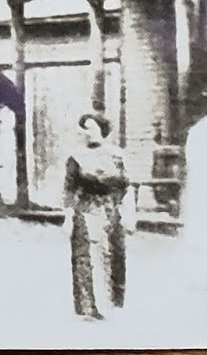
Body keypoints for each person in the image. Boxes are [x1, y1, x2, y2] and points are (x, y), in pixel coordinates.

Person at [63, 111, 127, 321]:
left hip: (111, 209)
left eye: (91, 128)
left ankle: (113, 304)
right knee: (85, 256)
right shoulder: (76, 157)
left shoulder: (116, 154)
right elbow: (69, 189)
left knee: (114, 253)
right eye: (85, 129)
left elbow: (126, 185)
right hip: (86, 208)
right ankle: (88, 307)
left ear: (102, 129)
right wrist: (68, 216)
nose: (87, 133)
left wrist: (129, 211)